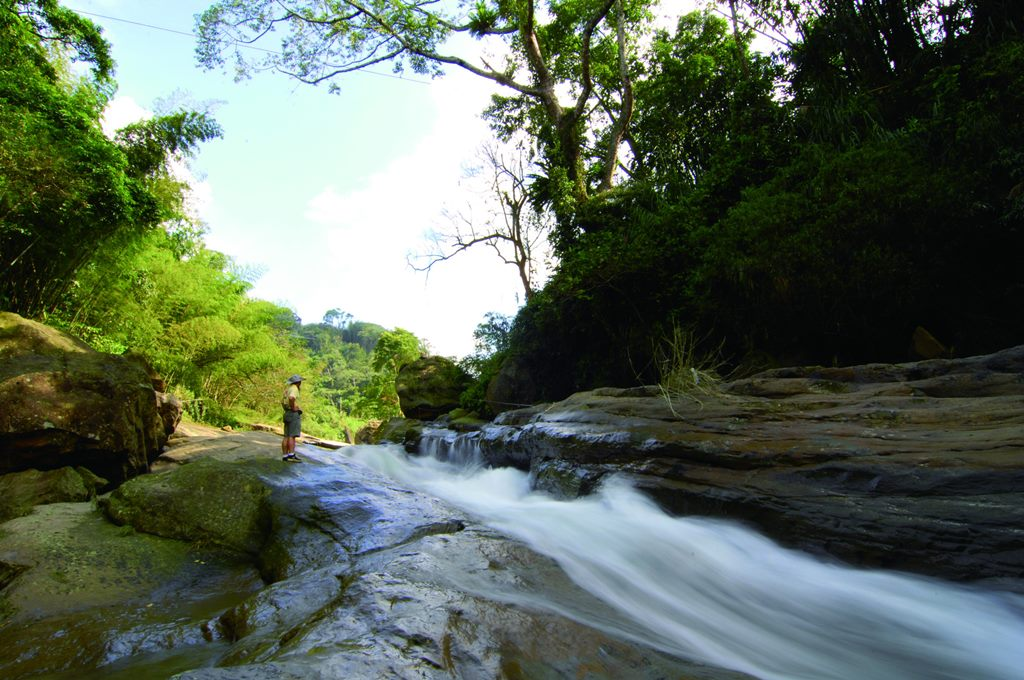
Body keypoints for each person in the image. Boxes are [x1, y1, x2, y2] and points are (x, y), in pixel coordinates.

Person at [281, 374, 303, 462]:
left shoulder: (287, 389)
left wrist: (287, 409)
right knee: (292, 436)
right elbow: (291, 398)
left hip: (287, 413)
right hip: (293, 414)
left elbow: (282, 401)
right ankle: (291, 454)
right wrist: (293, 408)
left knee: (286, 436)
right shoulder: (294, 388)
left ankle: (285, 455)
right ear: (298, 382)